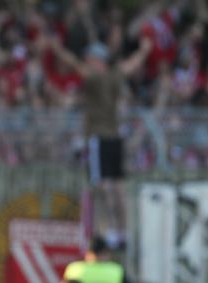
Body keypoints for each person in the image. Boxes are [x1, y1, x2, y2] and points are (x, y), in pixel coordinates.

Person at [47, 35, 152, 248]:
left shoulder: (94, 78)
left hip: (99, 138)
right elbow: (132, 65)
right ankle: (122, 232)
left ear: (96, 60)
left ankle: (104, 231)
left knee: (101, 186)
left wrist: (57, 48)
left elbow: (73, 63)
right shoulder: (115, 76)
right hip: (115, 138)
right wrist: (144, 50)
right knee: (117, 186)